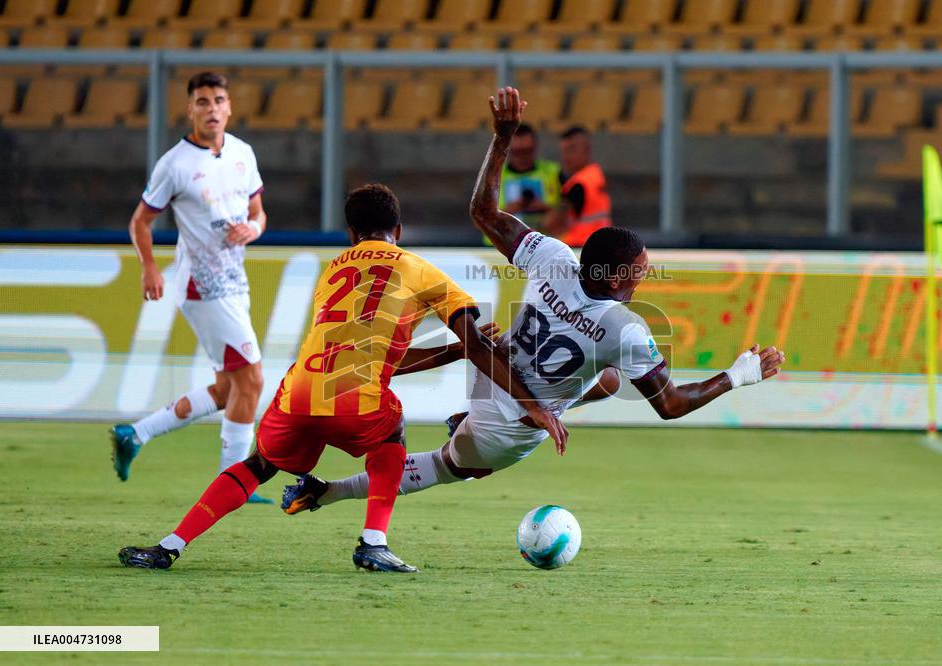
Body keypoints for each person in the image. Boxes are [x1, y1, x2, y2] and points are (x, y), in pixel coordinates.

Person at [280, 87, 785, 516]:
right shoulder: (625, 328)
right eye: (641, 268)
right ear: (616, 278)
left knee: (609, 379)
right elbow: (671, 405)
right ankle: (327, 491)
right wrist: (737, 376)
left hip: (494, 368)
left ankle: (481, 417)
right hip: (512, 422)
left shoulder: (554, 257)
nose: (646, 272)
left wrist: (502, 138)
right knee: (449, 465)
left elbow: (483, 211)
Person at [118, 183, 567, 573]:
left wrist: (452, 351)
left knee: (258, 465)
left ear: (351, 233)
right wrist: (527, 401)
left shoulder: (332, 271)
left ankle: (168, 546)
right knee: (392, 429)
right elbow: (477, 346)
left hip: (298, 392)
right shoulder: (419, 270)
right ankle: (374, 542)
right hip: (355, 400)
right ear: (399, 230)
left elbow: (373, 358)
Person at [110, 71, 270, 503]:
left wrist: (253, 229)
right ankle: (234, 481)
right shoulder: (175, 164)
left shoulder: (242, 153)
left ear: (229, 107)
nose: (211, 108)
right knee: (252, 380)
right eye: (202, 102)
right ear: (190, 110)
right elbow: (140, 222)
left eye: (218, 100)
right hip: (202, 285)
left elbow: (258, 212)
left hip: (235, 282)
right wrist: (149, 268)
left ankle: (135, 434)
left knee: (228, 389)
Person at [544, 125, 612, 248]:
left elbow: (551, 224)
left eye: (571, 150)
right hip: (599, 245)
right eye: (564, 151)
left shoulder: (578, 184)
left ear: (587, 150)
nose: (566, 157)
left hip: (578, 247)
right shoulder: (596, 175)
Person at [497, 123, 561, 231]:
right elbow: (479, 219)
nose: (522, 156)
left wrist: (546, 209)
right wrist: (508, 211)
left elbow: (570, 213)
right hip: (501, 240)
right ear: (508, 150)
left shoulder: (554, 172)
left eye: (527, 151)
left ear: (535, 147)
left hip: (545, 238)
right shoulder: (494, 176)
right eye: (517, 152)